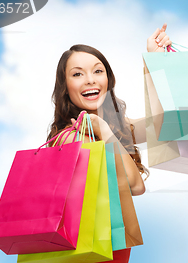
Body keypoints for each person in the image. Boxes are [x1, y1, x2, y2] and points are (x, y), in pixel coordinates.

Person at [47, 23, 173, 196]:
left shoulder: (113, 125)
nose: (90, 80)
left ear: (108, 80)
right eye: (77, 74)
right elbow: (134, 185)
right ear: (65, 87)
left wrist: (153, 61)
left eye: (98, 71)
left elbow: (160, 126)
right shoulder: (73, 138)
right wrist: (105, 132)